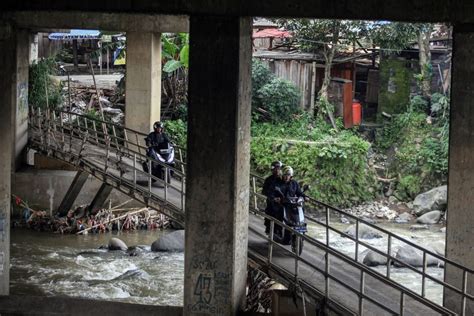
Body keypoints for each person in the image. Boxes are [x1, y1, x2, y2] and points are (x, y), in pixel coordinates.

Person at [262, 161, 283, 233]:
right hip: (271, 203)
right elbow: (264, 191)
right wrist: (273, 198)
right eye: (275, 169)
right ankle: (270, 235)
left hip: (282, 203)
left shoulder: (283, 180)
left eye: (278, 168)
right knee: (270, 219)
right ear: (272, 170)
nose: (277, 170)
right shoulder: (268, 180)